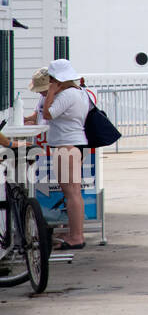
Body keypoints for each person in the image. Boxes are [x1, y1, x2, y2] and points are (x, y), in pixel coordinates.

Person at [44, 59, 89, 249]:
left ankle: (76, 236)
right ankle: (74, 232)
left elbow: (48, 114)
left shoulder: (66, 95)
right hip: (75, 142)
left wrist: (51, 93)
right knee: (74, 192)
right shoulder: (80, 92)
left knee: (71, 193)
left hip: (66, 145)